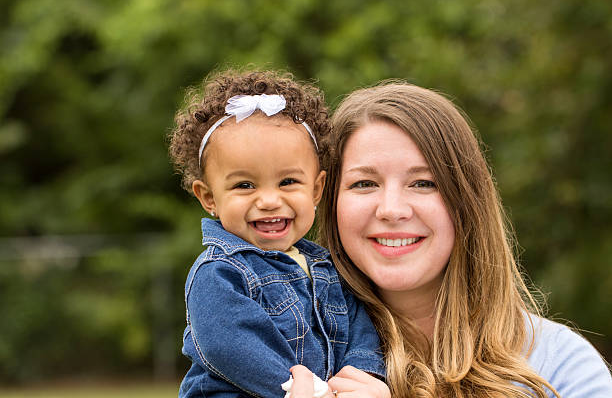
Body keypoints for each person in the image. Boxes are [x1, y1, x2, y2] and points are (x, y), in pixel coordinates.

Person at [290, 82, 612, 397]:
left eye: (423, 183)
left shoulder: (559, 368)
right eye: (364, 183)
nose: (391, 210)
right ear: (329, 201)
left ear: (466, 202)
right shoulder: (287, 350)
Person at [168, 69, 385, 397]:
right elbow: (229, 344)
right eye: (245, 185)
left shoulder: (329, 269)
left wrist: (362, 375)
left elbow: (359, 329)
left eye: (287, 182)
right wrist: (306, 389)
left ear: (316, 189)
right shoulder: (219, 272)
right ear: (209, 197)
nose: (269, 200)